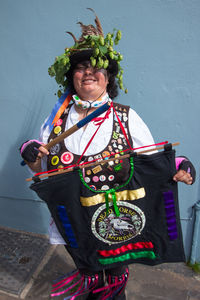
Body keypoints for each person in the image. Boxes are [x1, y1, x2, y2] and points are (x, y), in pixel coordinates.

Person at [20, 9, 195, 300]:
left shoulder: (126, 117)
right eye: (80, 66)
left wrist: (179, 165)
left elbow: (152, 161)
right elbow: (41, 172)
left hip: (116, 221)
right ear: (71, 76)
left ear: (108, 77)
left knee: (113, 281)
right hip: (75, 220)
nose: (88, 71)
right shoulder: (56, 121)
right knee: (87, 271)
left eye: (96, 66)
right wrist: (31, 154)